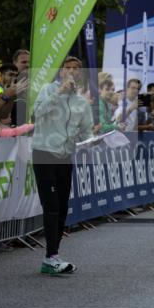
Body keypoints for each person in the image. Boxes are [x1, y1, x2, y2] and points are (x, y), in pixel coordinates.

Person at [31, 56, 92, 275]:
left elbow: (86, 132)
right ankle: (51, 257)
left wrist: (95, 139)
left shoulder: (81, 101)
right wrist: (58, 94)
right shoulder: (49, 90)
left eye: (77, 69)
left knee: (63, 207)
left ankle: (53, 256)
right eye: (69, 68)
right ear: (61, 72)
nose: (73, 72)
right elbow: (36, 114)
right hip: (44, 153)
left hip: (65, 156)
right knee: (52, 205)